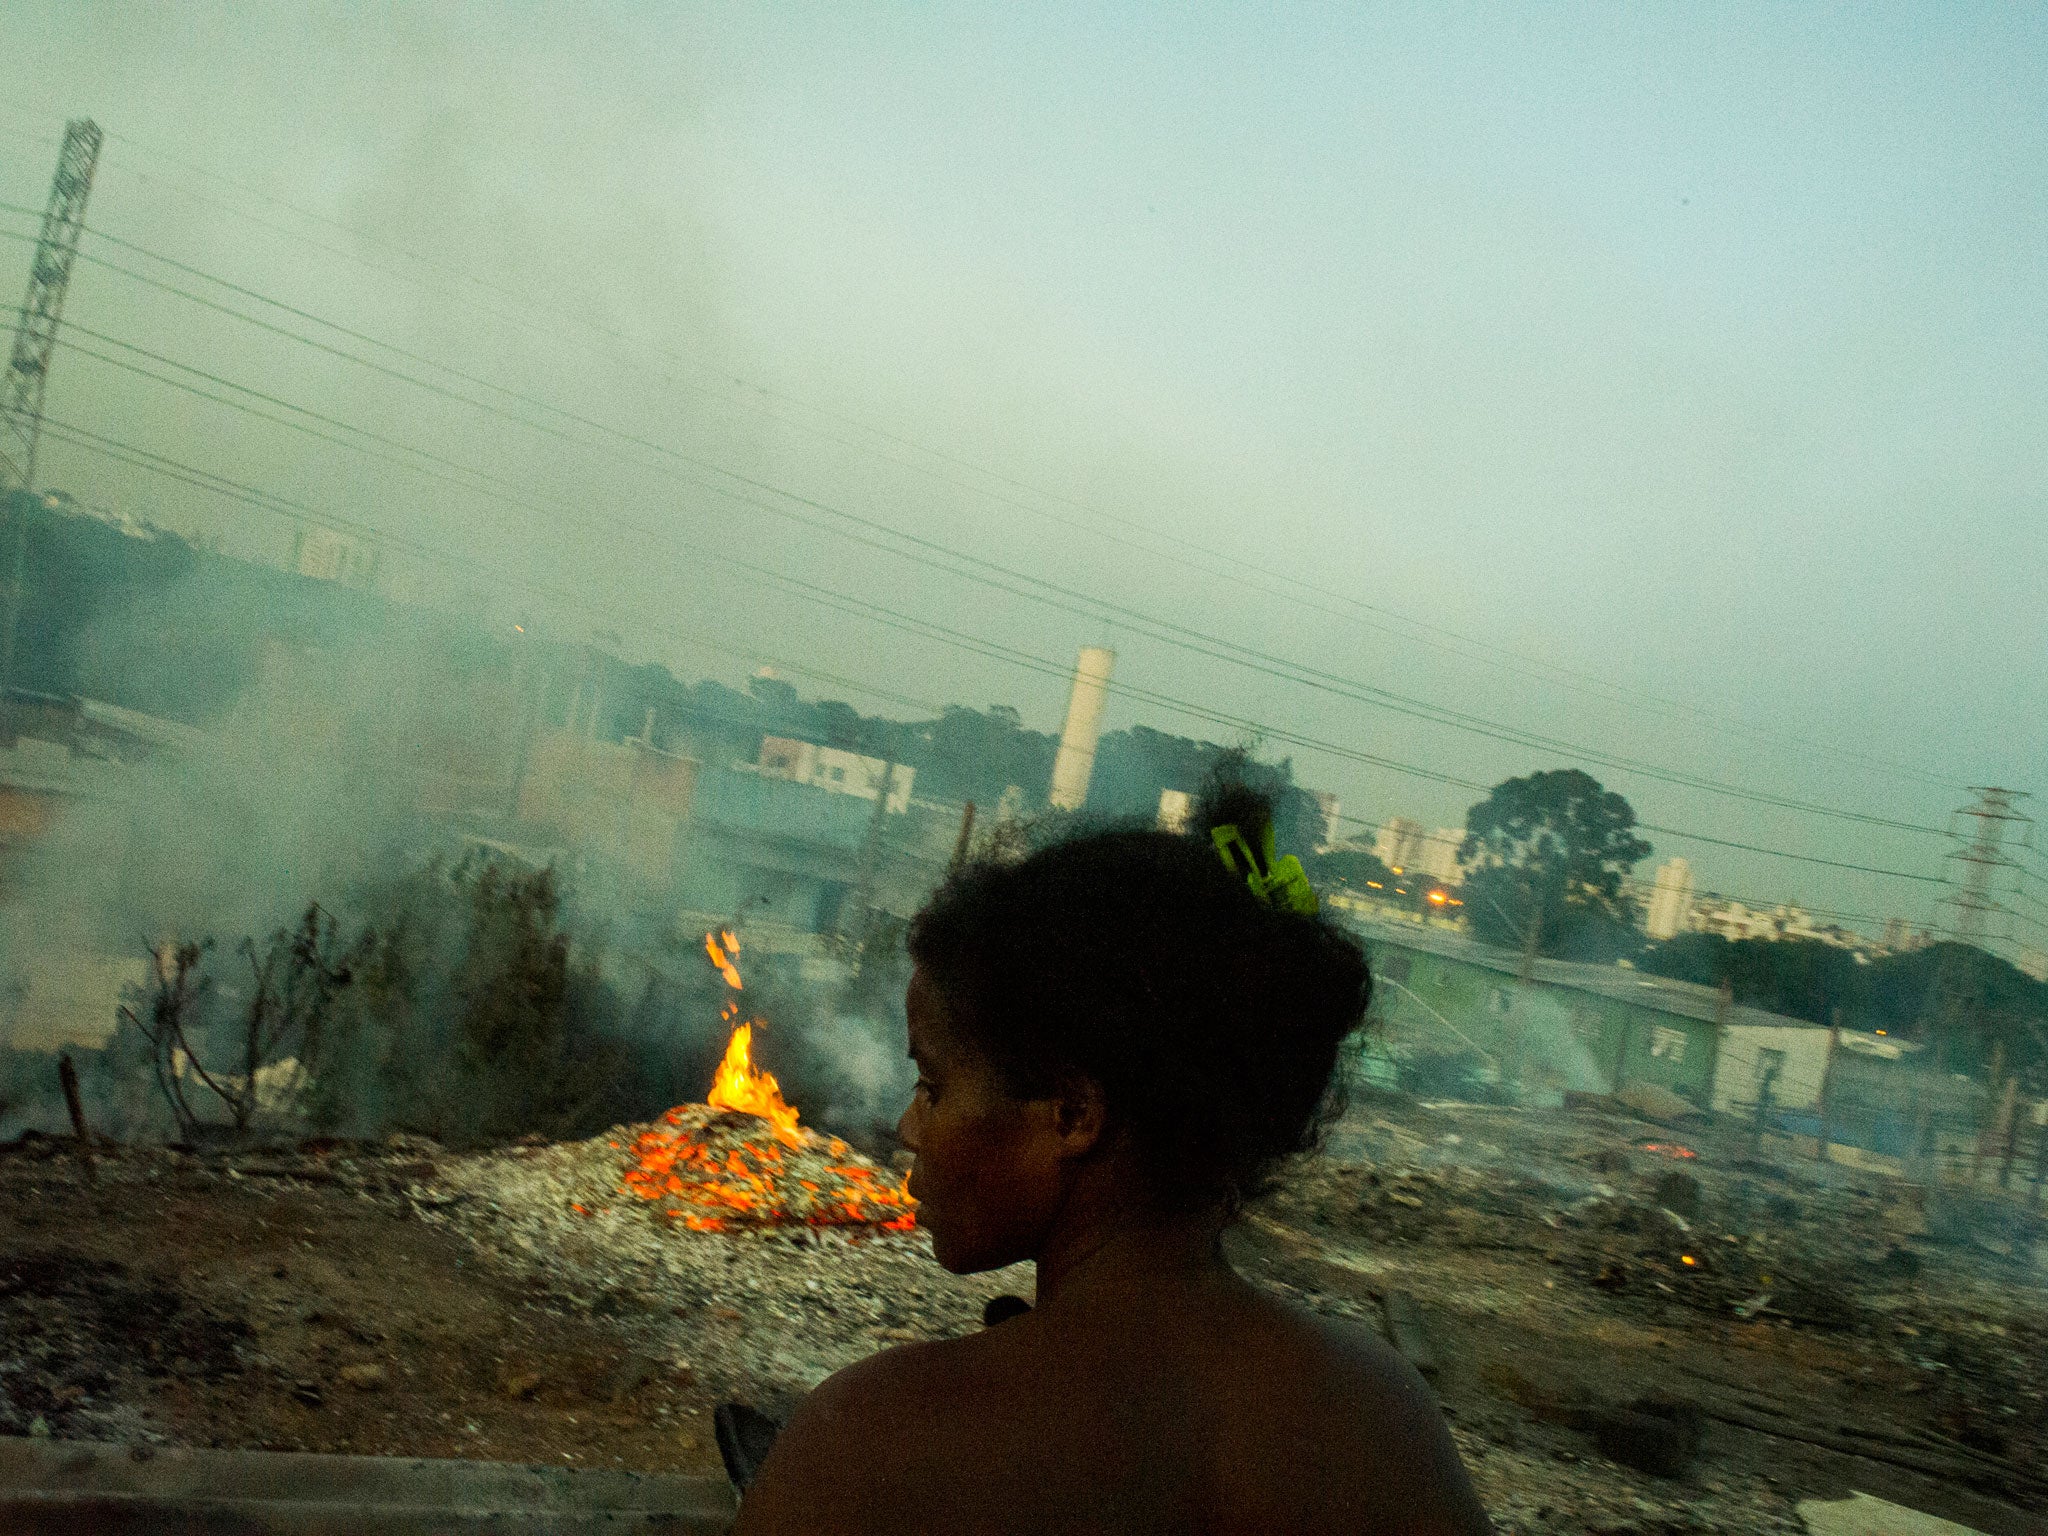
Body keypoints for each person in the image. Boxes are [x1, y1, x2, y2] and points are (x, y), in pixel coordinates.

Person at [733, 782, 1490, 1536]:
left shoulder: (874, 1440)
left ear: (1072, 1114)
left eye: (933, 1085)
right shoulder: (1382, 1417)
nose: (907, 1127)